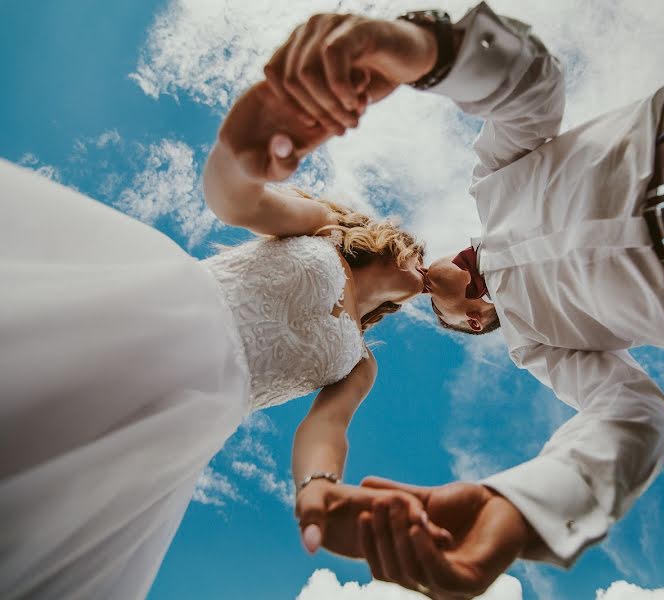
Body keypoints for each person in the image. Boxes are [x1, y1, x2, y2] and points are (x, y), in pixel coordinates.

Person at [259, 1, 664, 598]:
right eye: (440, 313)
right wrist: (520, 506)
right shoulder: (534, 344)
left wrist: (427, 48)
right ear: (475, 319)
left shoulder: (492, 185)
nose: (430, 291)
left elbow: (530, 90)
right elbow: (630, 413)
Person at [0, 69, 455, 597]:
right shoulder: (323, 228)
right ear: (394, 242)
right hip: (165, 315)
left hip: (198, 413)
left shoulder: (360, 362)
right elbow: (237, 200)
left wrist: (318, 487)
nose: (423, 267)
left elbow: (325, 429)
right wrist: (239, 150)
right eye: (417, 252)